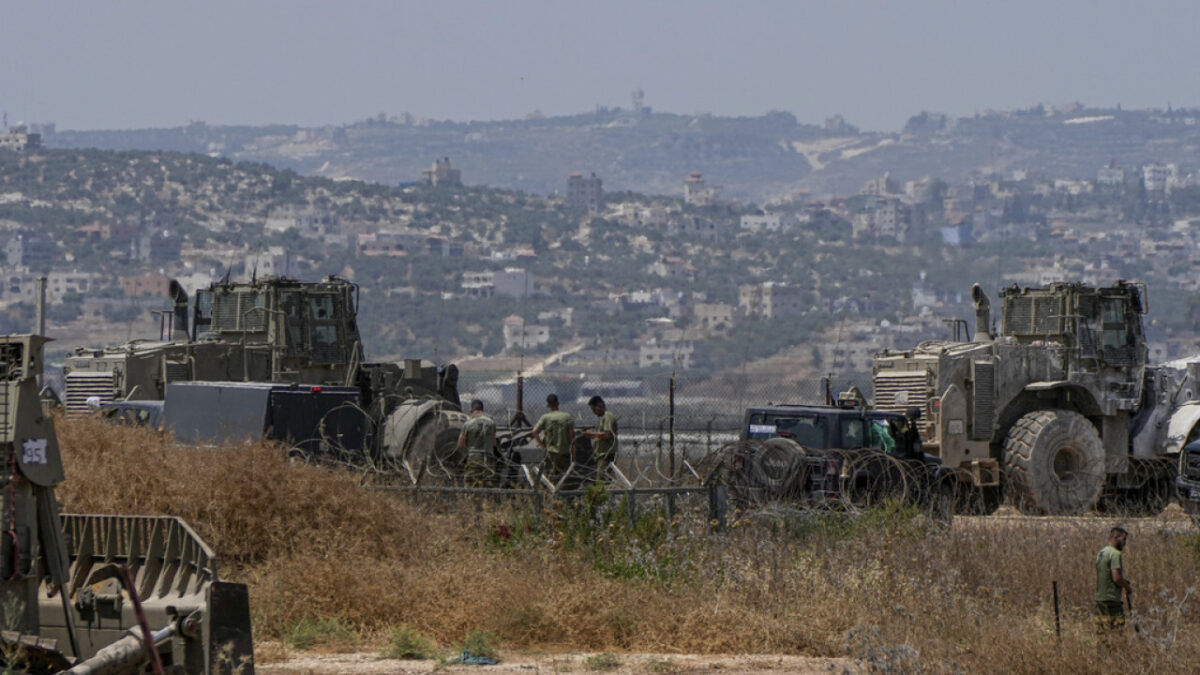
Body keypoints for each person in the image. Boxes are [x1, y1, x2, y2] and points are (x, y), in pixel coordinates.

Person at [1095, 526, 1132, 632]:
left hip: (1099, 598)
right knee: (1117, 630)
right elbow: (1116, 578)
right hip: (1111, 599)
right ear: (1116, 537)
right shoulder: (1115, 554)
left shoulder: (1101, 553)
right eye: (1124, 539)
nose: (1125, 543)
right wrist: (1127, 586)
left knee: (1102, 632)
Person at [532, 394, 575, 484]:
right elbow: (572, 436)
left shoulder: (545, 418)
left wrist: (542, 445)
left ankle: (552, 495)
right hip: (565, 452)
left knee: (551, 478)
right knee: (566, 478)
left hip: (552, 452)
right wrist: (573, 453)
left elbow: (534, 431)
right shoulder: (567, 417)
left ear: (547, 405)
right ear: (558, 403)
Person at [457, 399, 497, 486]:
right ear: (482, 410)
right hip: (488, 458)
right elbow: (494, 443)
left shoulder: (467, 424)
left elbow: (460, 443)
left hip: (473, 458)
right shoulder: (491, 423)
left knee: (471, 485)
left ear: (471, 410)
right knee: (489, 485)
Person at [583, 395, 618, 481]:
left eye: (594, 409)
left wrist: (592, 434)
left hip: (606, 455)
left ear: (600, 406)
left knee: (601, 481)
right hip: (602, 455)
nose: (594, 412)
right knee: (605, 480)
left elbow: (607, 435)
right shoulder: (603, 418)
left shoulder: (608, 417)